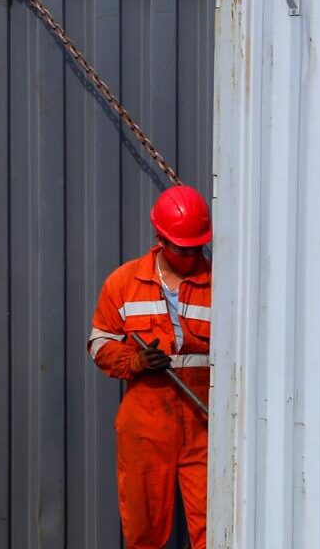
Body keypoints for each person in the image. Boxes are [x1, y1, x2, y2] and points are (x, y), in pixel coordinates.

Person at [87, 185, 214, 548]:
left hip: (205, 422)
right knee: (144, 527)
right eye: (182, 249)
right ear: (161, 239)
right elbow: (99, 344)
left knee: (213, 524)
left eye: (197, 248)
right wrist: (135, 361)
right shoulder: (124, 283)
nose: (191, 256)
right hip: (146, 423)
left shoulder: (222, 284)